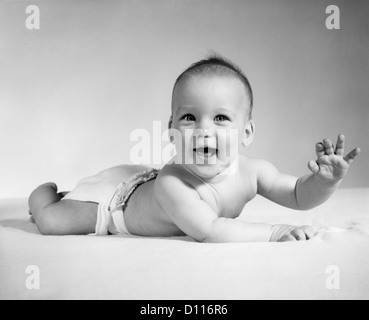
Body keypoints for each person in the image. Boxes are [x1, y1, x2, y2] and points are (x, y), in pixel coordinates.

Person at [28, 55, 361, 242]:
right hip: (116, 205)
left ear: (246, 132)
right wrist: (275, 232)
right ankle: (43, 196)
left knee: (73, 200)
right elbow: (210, 229)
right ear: (172, 131)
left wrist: (324, 182)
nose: (204, 130)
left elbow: (300, 196)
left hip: (143, 187)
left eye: (220, 118)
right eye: (189, 117)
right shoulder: (175, 182)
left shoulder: (254, 171)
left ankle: (68, 193)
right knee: (53, 221)